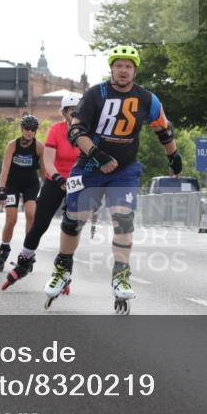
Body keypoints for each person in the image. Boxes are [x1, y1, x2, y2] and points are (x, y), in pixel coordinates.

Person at [42, 45, 181, 314]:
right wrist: (98, 155)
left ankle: (121, 275)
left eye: (129, 66)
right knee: (73, 221)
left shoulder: (147, 99)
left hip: (125, 169)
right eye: (119, 65)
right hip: (90, 167)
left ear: (135, 70)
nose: (123, 70)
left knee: (123, 218)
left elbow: (163, 130)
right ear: (111, 68)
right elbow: (76, 132)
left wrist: (173, 157)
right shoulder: (96, 94)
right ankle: (63, 268)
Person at [2, 92, 82, 289]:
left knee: (71, 226)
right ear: (64, 113)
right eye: (72, 111)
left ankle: (64, 267)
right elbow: (47, 160)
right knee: (39, 223)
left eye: (79, 111)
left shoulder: (91, 132)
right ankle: (24, 261)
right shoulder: (55, 130)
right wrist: (57, 178)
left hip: (78, 182)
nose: (75, 114)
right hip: (55, 180)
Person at [0, 115, 47, 271]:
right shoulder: (12, 145)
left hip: (31, 183)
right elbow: (5, 169)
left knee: (31, 214)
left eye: (32, 129)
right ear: (22, 129)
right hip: (12, 184)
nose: (29, 132)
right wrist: (1, 188)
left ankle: (28, 252)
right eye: (26, 129)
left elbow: (44, 171)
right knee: (11, 219)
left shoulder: (39, 147)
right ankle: (4, 248)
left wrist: (48, 188)